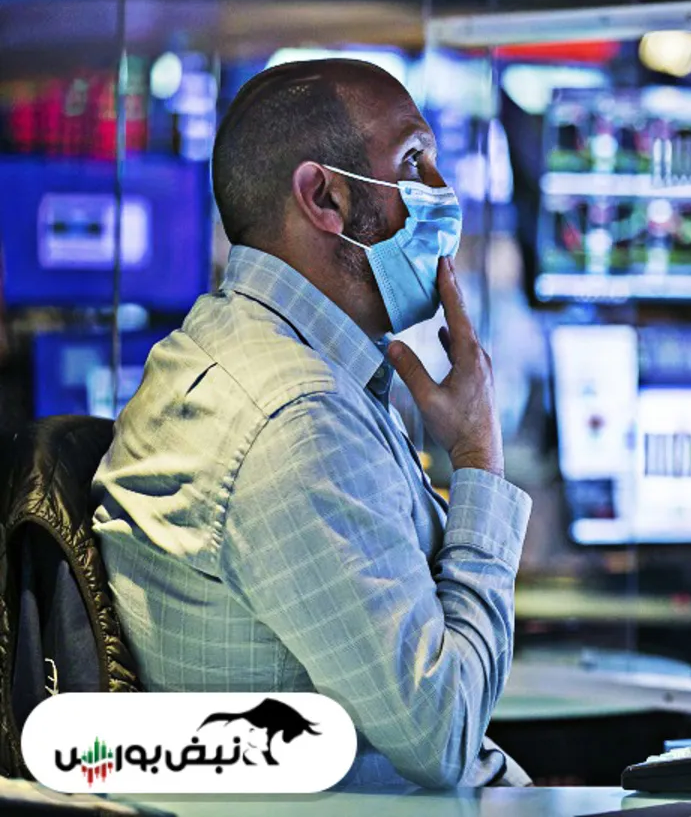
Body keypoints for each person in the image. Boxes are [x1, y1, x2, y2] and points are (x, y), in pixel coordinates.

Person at [92, 59, 532, 789]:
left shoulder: (233, 353)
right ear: (324, 196)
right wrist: (479, 455)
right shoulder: (295, 423)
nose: (441, 190)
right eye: (413, 160)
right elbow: (443, 734)